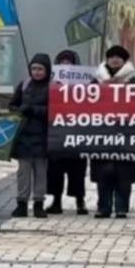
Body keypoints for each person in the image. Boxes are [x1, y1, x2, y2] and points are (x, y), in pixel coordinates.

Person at [92, 45, 135, 220]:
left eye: (119, 57)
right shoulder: (97, 80)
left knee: (123, 173)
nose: (115, 60)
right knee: (103, 172)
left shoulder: (133, 81)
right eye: (111, 56)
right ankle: (103, 207)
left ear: (124, 60)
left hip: (126, 133)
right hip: (102, 133)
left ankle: (121, 207)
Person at [9, 53, 52, 219]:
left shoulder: (52, 87)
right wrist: (19, 110)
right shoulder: (24, 85)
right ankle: (21, 203)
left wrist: (34, 110)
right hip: (24, 136)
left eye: (40, 69)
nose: (37, 72)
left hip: (43, 136)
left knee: (41, 173)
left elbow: (53, 110)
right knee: (23, 172)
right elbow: (13, 104)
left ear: (47, 70)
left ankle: (39, 204)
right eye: (34, 68)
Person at [47, 49, 88, 215]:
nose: (65, 65)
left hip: (78, 130)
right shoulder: (51, 81)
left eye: (68, 61)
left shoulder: (85, 81)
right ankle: (56, 200)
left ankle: (80, 200)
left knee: (78, 170)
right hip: (57, 131)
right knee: (55, 169)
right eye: (62, 62)